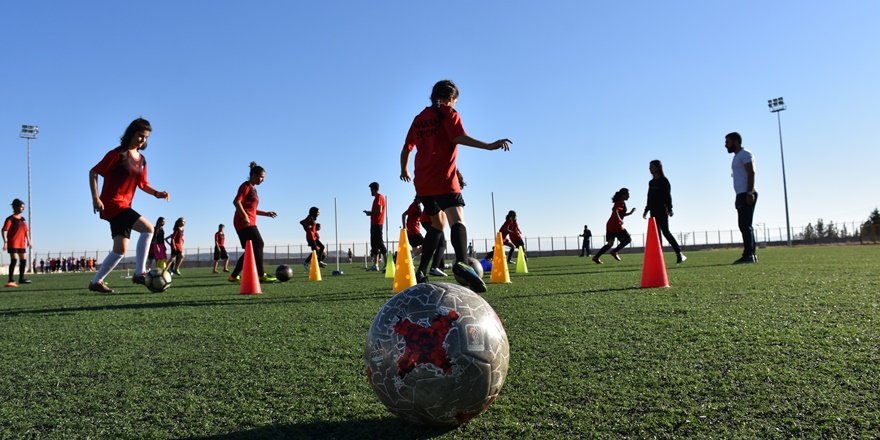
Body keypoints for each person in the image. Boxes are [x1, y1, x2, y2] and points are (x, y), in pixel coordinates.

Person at [400, 79, 511, 292]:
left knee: (436, 224)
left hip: (422, 181)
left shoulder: (419, 118)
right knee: (457, 218)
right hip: (444, 179)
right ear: (451, 98)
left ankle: (421, 271)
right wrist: (488, 146)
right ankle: (461, 262)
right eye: (456, 100)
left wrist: (403, 169)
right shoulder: (449, 114)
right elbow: (459, 137)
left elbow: (406, 148)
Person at [88, 118, 170, 293]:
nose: (143, 140)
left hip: (123, 206)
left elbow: (142, 184)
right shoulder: (118, 154)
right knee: (148, 229)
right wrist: (96, 198)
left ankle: (96, 282)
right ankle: (140, 273)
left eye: (146, 137)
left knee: (120, 250)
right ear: (131, 134)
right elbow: (93, 172)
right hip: (113, 204)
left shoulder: (142, 160)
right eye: (140, 135)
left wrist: (157, 193)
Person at [228, 162, 278, 283]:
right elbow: (236, 202)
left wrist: (266, 213)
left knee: (251, 249)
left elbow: (252, 209)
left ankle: (233, 276)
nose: (263, 180)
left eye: (264, 177)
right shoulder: (245, 186)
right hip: (244, 222)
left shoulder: (253, 189)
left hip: (248, 221)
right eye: (261, 177)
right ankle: (261, 275)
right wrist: (245, 216)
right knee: (259, 243)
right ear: (254, 175)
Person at [643, 160, 686, 264]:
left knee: (665, 232)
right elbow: (649, 197)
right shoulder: (651, 182)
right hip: (653, 211)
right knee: (657, 235)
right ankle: (659, 258)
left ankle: (679, 253)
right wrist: (646, 210)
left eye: (652, 167)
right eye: (649, 167)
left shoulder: (664, 181)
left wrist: (670, 208)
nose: (650, 169)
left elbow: (668, 196)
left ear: (658, 168)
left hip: (662, 210)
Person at [725, 132, 758, 264]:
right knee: (744, 225)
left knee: (745, 225)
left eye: (727, 142)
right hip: (741, 194)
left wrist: (749, 193)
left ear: (735, 141)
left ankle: (749, 255)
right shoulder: (737, 157)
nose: (725, 145)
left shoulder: (745, 154)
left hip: (746, 193)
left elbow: (751, 172)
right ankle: (750, 254)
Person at [593, 188, 635, 264]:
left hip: (610, 225)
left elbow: (620, 213)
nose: (629, 196)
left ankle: (596, 257)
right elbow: (614, 210)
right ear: (623, 195)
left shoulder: (621, 202)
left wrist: (630, 213)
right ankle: (614, 251)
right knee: (628, 239)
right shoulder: (620, 202)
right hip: (616, 226)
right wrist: (619, 220)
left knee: (610, 244)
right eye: (628, 194)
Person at [3, 198, 32, 287]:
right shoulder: (10, 219)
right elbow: (4, 230)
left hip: (21, 244)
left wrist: (29, 241)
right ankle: (11, 280)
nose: (23, 209)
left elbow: (26, 231)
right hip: (13, 242)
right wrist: (5, 242)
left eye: (23, 207)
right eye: (21, 207)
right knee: (14, 260)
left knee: (23, 260)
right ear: (15, 207)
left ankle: (21, 279)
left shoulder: (23, 219)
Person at [363, 182, 387, 271]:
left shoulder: (379, 197)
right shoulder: (376, 198)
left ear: (374, 189)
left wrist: (370, 213)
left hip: (378, 224)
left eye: (371, 190)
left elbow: (379, 211)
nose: (370, 192)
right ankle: (375, 265)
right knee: (374, 245)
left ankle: (387, 264)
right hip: (374, 224)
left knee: (380, 243)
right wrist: (370, 213)